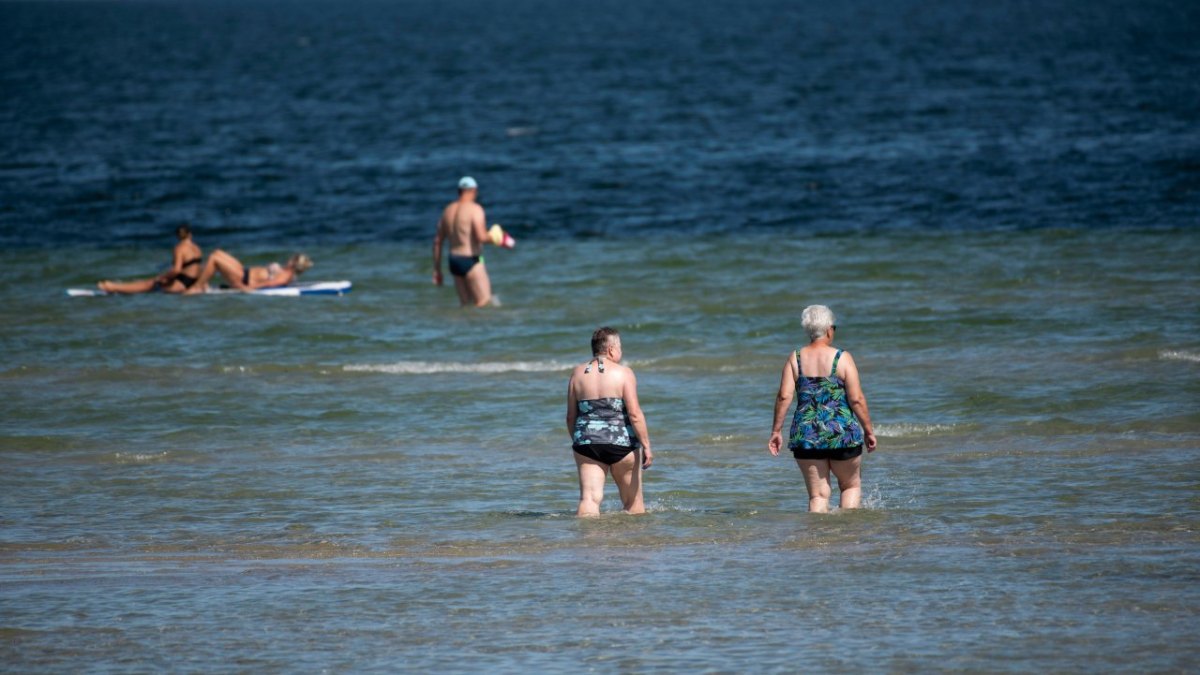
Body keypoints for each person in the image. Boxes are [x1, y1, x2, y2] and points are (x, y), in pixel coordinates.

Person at [768, 305, 877, 513]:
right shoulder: (842, 358)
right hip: (841, 433)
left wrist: (775, 432)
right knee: (850, 486)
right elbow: (856, 399)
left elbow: (784, 397)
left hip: (807, 434)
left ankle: (817, 541)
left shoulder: (795, 358)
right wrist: (869, 430)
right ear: (829, 329)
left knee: (818, 495)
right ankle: (846, 538)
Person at [566, 327, 654, 516]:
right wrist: (646, 445)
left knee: (589, 499)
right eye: (620, 347)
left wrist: (580, 440)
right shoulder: (624, 373)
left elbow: (570, 416)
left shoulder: (577, 374)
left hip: (587, 443)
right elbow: (635, 414)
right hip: (621, 444)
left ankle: (587, 541)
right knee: (633, 502)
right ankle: (631, 543)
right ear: (612, 349)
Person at [432, 176, 495, 307]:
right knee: (484, 302)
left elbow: (438, 241)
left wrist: (437, 270)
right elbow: (481, 237)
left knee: (465, 305)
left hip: (454, 261)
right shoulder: (475, 209)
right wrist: (496, 238)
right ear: (474, 190)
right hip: (472, 259)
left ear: (459, 191)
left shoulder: (447, 211)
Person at [97, 224, 204, 294]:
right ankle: (119, 286)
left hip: (181, 284)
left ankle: (112, 287)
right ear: (190, 234)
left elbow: (177, 270)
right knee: (150, 282)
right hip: (193, 281)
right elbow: (196, 267)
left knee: (149, 284)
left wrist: (162, 277)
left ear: (177, 236)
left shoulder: (179, 248)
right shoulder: (197, 247)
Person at [184, 250, 312, 294]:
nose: (290, 258)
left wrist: (247, 288)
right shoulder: (285, 271)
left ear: (294, 263)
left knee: (214, 259)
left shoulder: (286, 276)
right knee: (216, 252)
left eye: (293, 258)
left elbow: (269, 284)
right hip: (243, 271)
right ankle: (201, 283)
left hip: (242, 279)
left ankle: (198, 286)